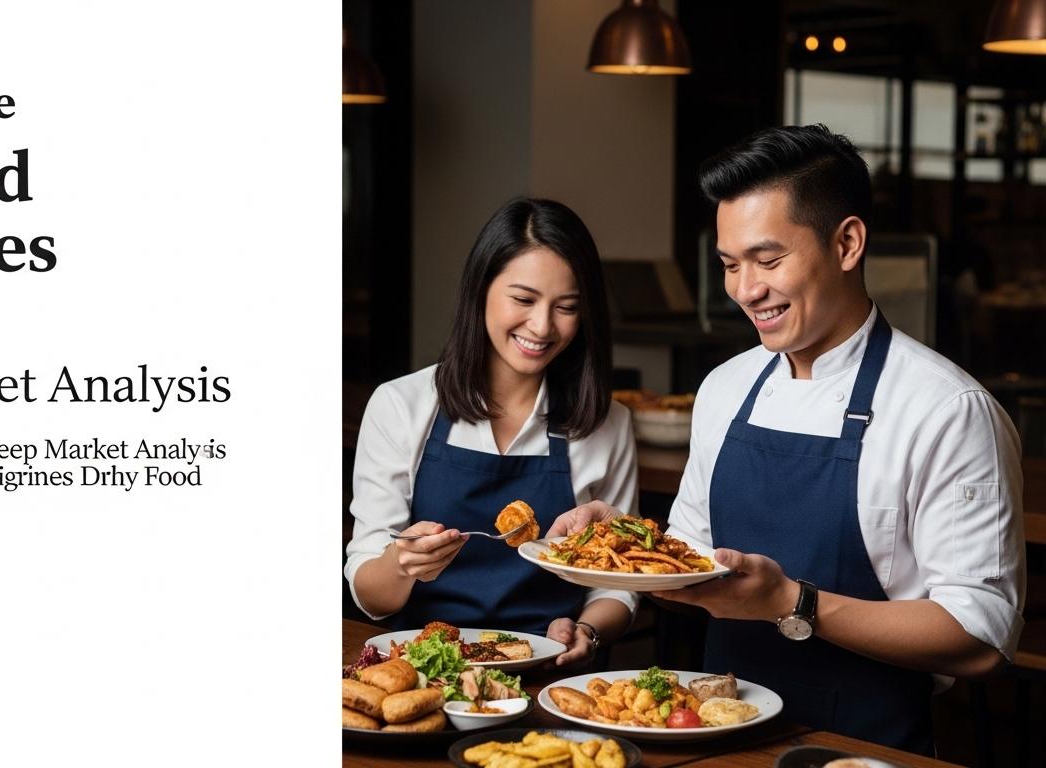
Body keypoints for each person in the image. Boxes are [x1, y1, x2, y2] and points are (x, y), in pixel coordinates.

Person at [549, 125, 1025, 753]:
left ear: (848, 242)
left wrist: (790, 601)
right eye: (729, 265)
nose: (746, 290)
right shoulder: (724, 388)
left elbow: (981, 635)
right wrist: (626, 539)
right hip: (712, 734)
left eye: (769, 260)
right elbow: (691, 570)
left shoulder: (946, 409)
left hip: (862, 747)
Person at [344, 197, 637, 665]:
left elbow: (616, 584)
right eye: (523, 299)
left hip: (549, 672)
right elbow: (370, 592)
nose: (542, 327)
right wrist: (402, 565)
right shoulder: (402, 405)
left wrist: (587, 630)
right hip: (424, 670)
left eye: (566, 307)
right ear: (481, 290)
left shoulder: (607, 423)